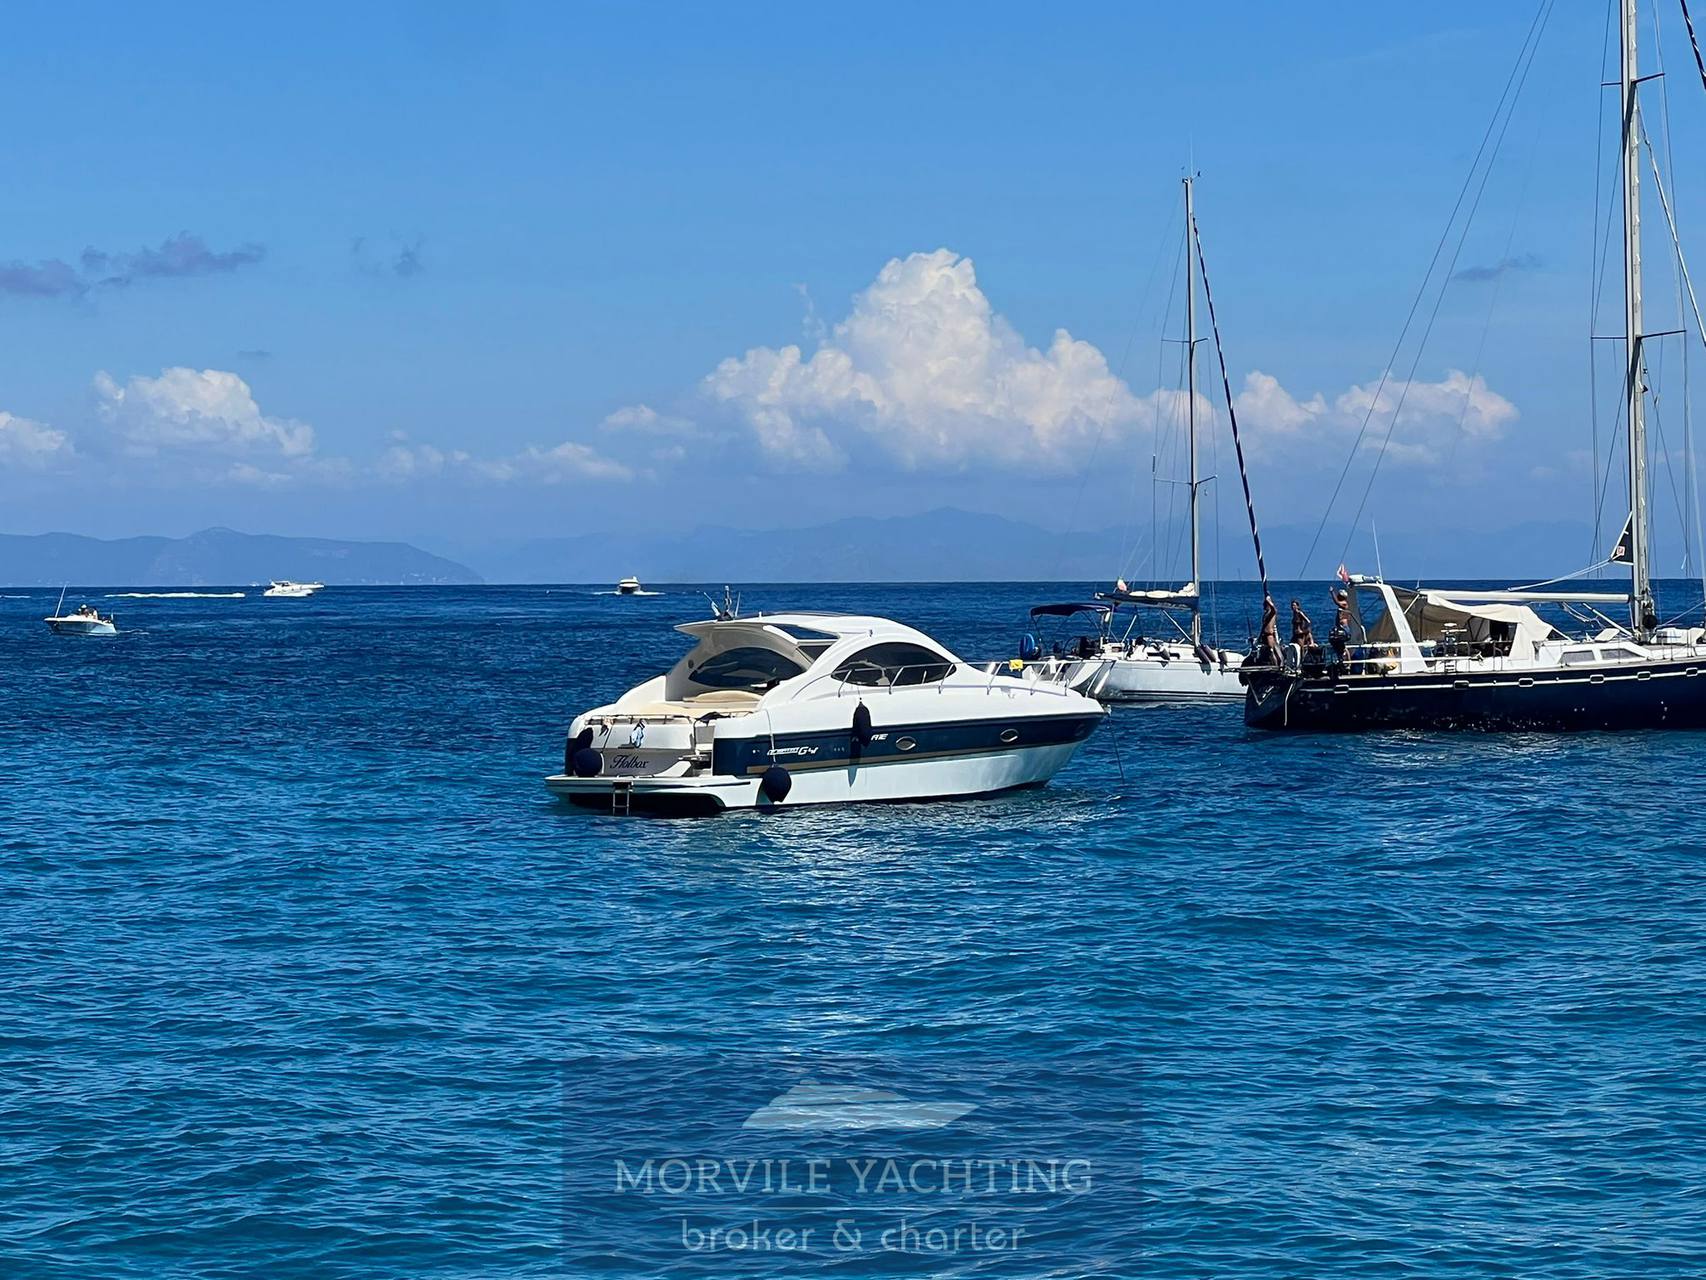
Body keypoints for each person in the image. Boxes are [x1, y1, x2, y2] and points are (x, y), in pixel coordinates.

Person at [1328, 589, 1351, 666]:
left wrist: (1332, 592)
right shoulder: (1343, 604)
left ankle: (1347, 662)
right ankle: (1341, 660)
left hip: (1344, 628)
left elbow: (1337, 602)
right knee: (1335, 642)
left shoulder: (1344, 603)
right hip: (1340, 628)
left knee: (1341, 646)